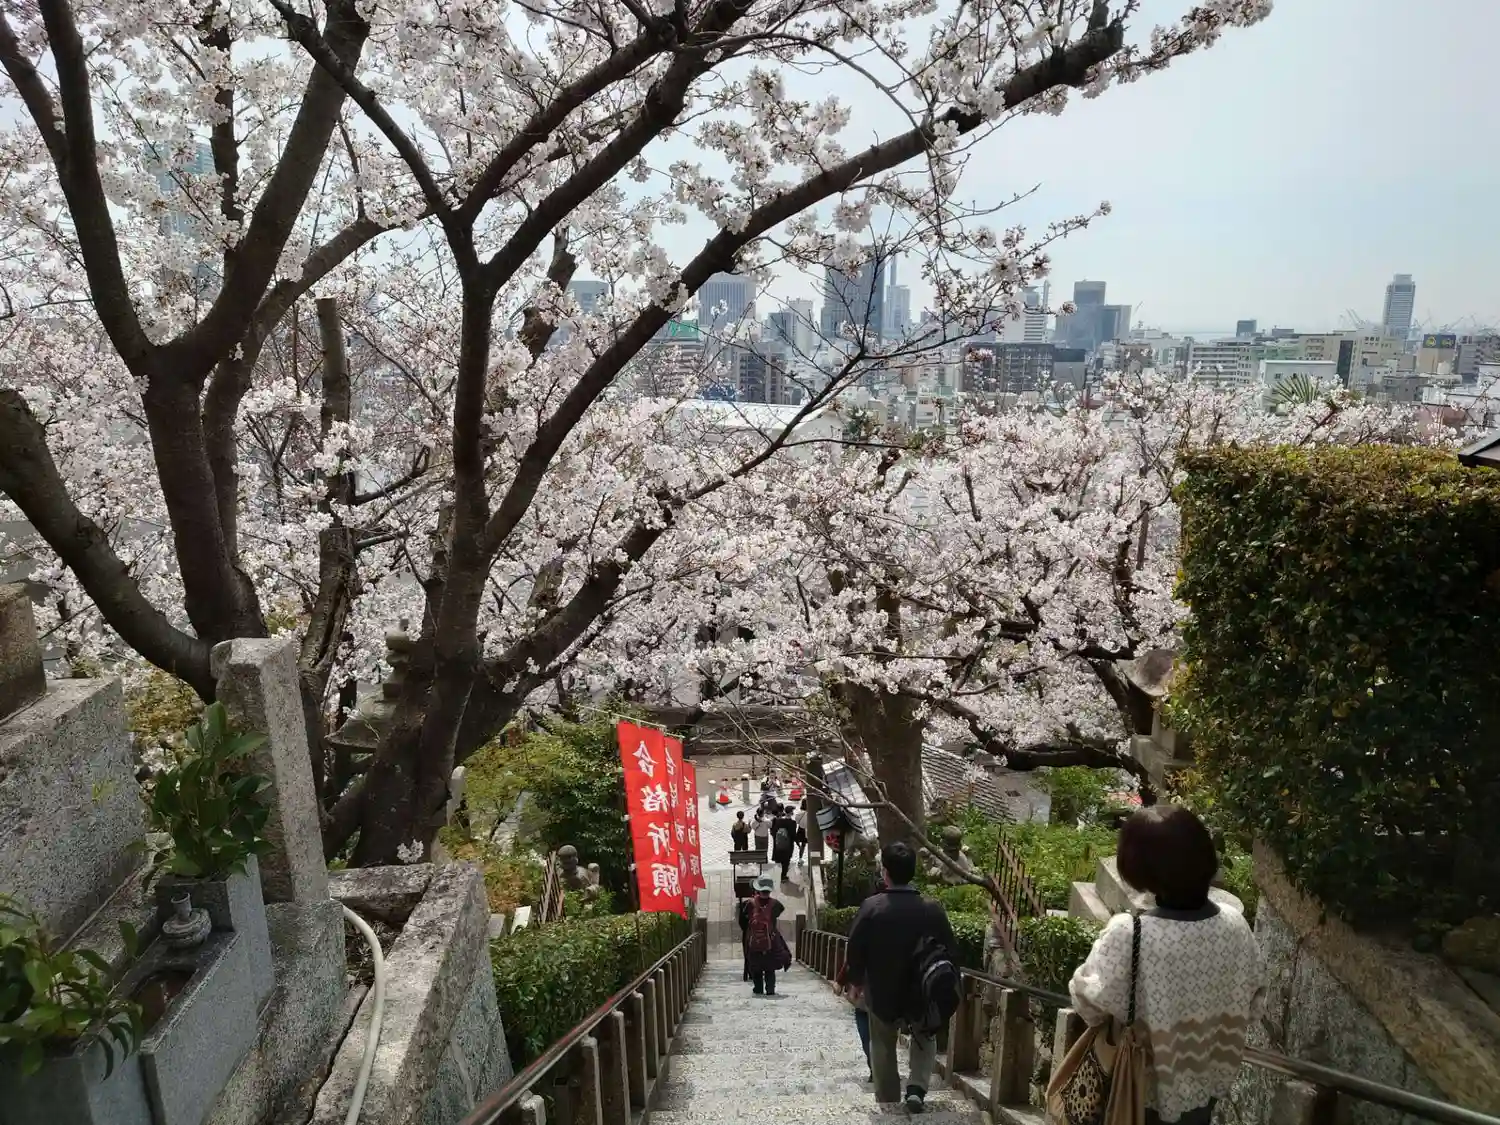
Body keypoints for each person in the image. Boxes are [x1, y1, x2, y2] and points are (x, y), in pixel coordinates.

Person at [1070, 805, 1264, 1125]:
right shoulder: (1235, 926)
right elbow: (1253, 1004)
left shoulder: (1130, 934)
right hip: (1204, 1095)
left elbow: (1088, 1004)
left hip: (1136, 1096)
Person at [844, 841, 957, 1113]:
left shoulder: (872, 907)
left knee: (882, 1043)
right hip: (922, 990)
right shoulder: (931, 908)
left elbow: (855, 947)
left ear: (885, 872)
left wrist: (856, 981)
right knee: (925, 1035)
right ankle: (916, 1088)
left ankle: (888, 1099)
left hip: (882, 991)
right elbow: (950, 950)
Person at [738, 874, 787, 995]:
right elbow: (776, 917)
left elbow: (742, 921)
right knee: (770, 967)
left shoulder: (749, 904)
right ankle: (770, 989)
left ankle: (758, 988)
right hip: (770, 940)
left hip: (754, 941)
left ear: (758, 888)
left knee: (756, 966)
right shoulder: (776, 905)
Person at [837, 960, 873, 1083]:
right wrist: (840, 981)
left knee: (881, 1040)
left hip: (882, 1004)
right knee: (866, 1039)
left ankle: (881, 1070)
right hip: (862, 1002)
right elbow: (851, 960)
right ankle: (874, 1068)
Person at [770, 803, 797, 882]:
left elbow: (773, 832)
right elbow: (793, 835)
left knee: (779, 860)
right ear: (791, 813)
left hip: (778, 844)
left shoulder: (778, 821)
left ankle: (779, 874)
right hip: (788, 845)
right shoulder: (792, 823)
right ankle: (783, 876)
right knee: (786, 861)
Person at [794, 799, 808, 865]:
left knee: (803, 845)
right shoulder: (811, 812)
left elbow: (797, 821)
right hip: (809, 830)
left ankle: (800, 858)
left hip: (801, 829)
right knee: (808, 844)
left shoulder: (799, 813)